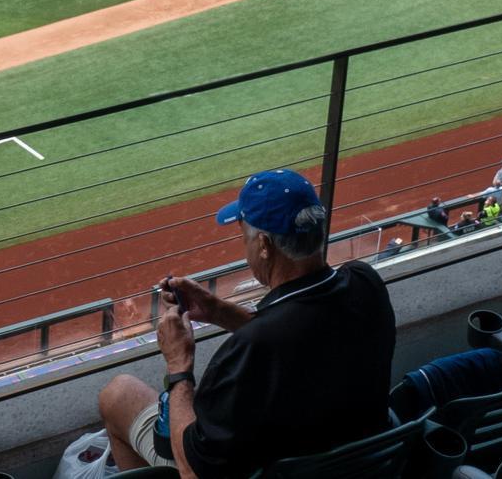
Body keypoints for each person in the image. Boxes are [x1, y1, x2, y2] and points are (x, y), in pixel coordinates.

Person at [95, 170, 395, 476]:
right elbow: (299, 336)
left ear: (264, 244)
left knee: (118, 395)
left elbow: (193, 471)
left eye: (244, 235)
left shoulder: (251, 350)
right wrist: (217, 311)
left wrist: (179, 366)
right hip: (360, 464)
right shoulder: (365, 284)